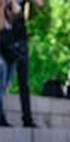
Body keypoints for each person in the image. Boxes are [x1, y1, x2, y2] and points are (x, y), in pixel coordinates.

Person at [0, 0, 42, 128]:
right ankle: (1, 117)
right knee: (3, 80)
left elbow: (40, 4)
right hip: (4, 44)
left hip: (19, 44)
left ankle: (27, 119)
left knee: (23, 83)